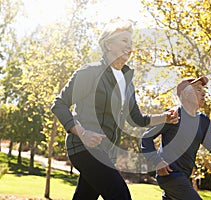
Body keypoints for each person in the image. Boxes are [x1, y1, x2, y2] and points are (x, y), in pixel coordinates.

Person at [51, 18, 178, 200]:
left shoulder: (127, 82)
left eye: (131, 42)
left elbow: (137, 119)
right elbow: (59, 104)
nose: (130, 46)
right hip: (83, 146)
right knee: (120, 196)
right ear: (109, 44)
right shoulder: (90, 72)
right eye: (124, 41)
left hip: (106, 152)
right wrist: (83, 133)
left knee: (85, 197)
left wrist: (164, 117)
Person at [141, 76, 211, 200]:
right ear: (185, 94)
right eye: (198, 89)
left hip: (184, 177)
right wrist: (157, 161)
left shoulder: (203, 121)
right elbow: (146, 137)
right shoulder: (172, 116)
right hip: (170, 176)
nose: (203, 93)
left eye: (204, 90)